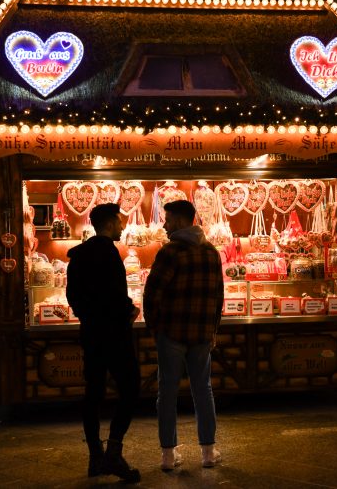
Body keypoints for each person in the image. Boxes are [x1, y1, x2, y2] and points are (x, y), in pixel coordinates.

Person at [143, 200, 224, 471]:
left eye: (167, 220)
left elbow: (152, 292)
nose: (164, 225)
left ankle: (168, 455)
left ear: (178, 221)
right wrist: (213, 329)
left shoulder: (170, 252)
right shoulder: (212, 252)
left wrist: (154, 327)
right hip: (201, 333)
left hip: (172, 332)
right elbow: (218, 297)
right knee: (203, 390)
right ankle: (209, 452)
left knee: (167, 391)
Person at [66, 203, 141, 483]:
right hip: (115, 335)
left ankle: (95, 456)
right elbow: (113, 294)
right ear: (109, 224)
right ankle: (113, 453)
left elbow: (73, 295)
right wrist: (128, 310)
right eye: (120, 223)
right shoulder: (109, 253)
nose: (122, 227)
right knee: (131, 388)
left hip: (91, 334)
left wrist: (89, 317)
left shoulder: (80, 255)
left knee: (93, 393)